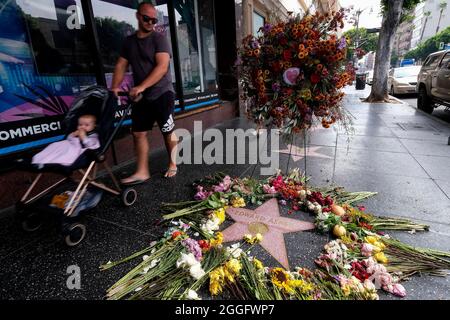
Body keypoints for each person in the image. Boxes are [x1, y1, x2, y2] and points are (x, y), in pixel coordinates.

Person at [111, 2, 178, 185]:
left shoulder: (159, 39)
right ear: (138, 16)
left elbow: (162, 67)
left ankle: (173, 163)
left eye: (154, 20)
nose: (150, 22)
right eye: (147, 18)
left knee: (167, 130)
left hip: (162, 92)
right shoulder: (129, 42)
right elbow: (121, 65)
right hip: (141, 96)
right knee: (138, 133)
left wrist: (141, 86)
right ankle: (142, 171)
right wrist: (115, 86)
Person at [32, 114, 100, 167]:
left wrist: (84, 137)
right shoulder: (77, 132)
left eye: (86, 125)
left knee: (64, 149)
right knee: (55, 145)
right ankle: (40, 159)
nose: (82, 127)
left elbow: (91, 144)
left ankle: (46, 161)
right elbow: (69, 139)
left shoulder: (93, 136)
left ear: (94, 126)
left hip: (77, 151)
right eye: (80, 125)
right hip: (68, 144)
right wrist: (73, 135)